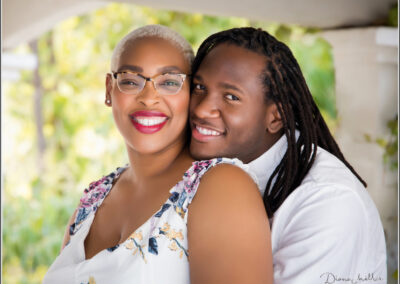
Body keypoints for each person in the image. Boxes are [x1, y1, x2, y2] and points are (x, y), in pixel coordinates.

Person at [43, 25, 273, 284]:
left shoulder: (221, 187)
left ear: (190, 93)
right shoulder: (92, 202)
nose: (149, 98)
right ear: (109, 90)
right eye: (130, 81)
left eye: (170, 82)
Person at [189, 27, 387, 284]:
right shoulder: (203, 172)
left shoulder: (327, 201)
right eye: (199, 87)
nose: (203, 109)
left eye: (231, 96)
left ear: (276, 117)